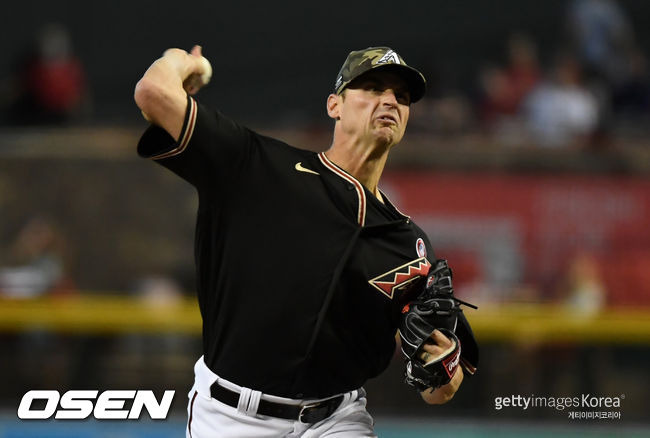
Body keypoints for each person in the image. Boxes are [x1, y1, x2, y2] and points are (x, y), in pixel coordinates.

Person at [134, 45, 464, 437]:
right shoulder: (259, 168)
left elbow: (440, 391)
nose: (390, 100)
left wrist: (441, 367)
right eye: (373, 88)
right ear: (334, 106)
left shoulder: (407, 245)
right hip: (232, 416)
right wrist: (181, 59)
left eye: (402, 96)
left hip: (337, 420)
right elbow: (153, 92)